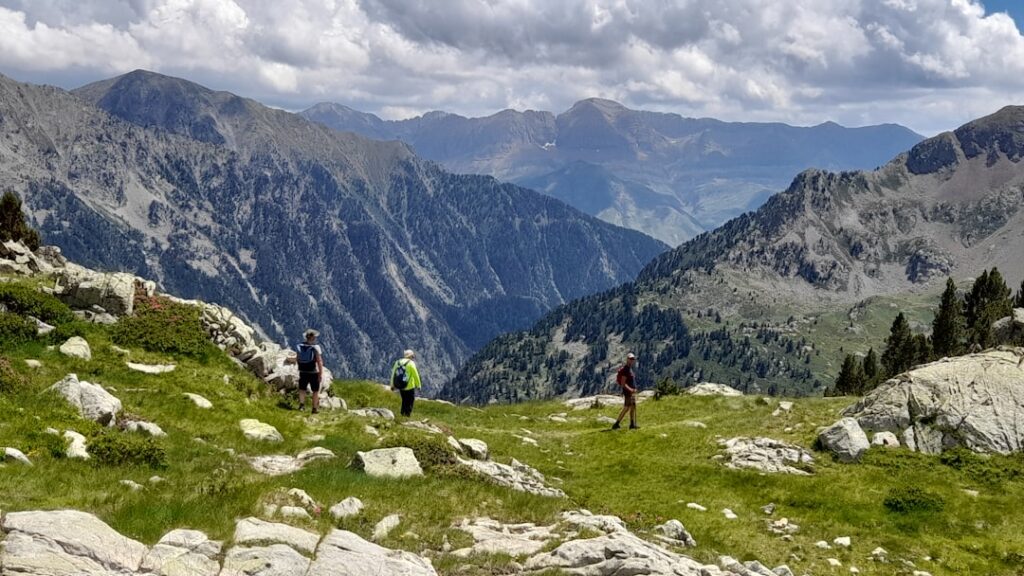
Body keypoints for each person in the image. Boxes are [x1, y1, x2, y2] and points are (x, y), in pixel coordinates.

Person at [294, 329, 324, 414]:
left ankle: (301, 406)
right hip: (313, 372)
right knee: (315, 390)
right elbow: (319, 361)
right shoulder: (315, 347)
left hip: (303, 371)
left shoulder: (300, 346)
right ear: (313, 338)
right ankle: (314, 409)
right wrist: (320, 374)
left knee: (302, 389)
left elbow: (298, 358)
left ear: (306, 337)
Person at [612, 352, 639, 430]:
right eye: (630, 359)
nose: (632, 360)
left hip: (632, 391)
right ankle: (616, 424)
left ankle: (632, 424)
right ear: (627, 359)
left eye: (633, 359)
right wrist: (631, 390)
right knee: (627, 407)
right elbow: (623, 383)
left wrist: (634, 389)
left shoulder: (629, 369)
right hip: (628, 392)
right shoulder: (625, 370)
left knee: (633, 406)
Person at [391, 349, 422, 417]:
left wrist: (392, 385)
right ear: (410, 356)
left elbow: (393, 374)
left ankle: (402, 414)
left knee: (404, 400)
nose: (413, 358)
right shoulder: (411, 363)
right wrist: (418, 385)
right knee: (410, 401)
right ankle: (407, 415)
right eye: (412, 356)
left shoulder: (397, 362)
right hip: (410, 386)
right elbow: (415, 375)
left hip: (401, 385)